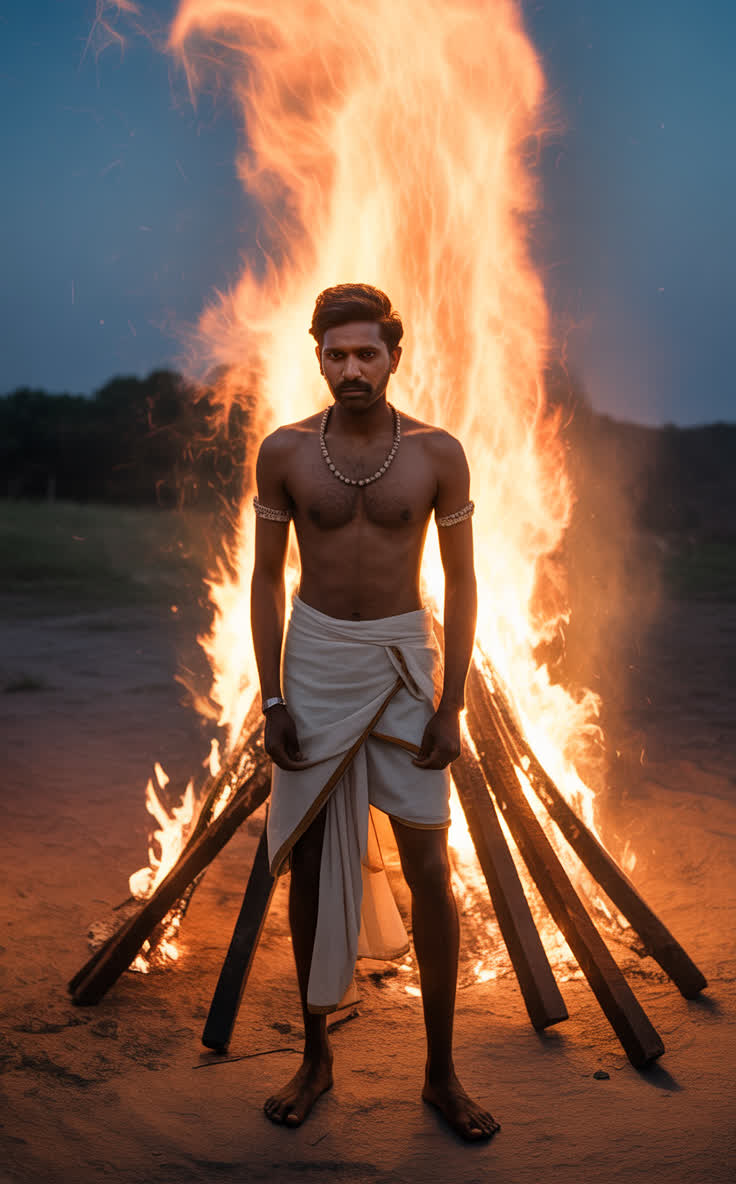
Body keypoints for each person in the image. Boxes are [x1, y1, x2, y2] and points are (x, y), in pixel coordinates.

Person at [250, 283, 499, 1141]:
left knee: (430, 869)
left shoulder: (439, 454)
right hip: (314, 663)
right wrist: (273, 696)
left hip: (403, 663)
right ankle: (316, 1056)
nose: (350, 368)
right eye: (335, 353)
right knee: (313, 861)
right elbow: (263, 579)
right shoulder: (283, 452)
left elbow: (462, 583)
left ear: (395, 355)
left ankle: (440, 1073)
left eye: (367, 353)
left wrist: (452, 701)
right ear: (316, 356)